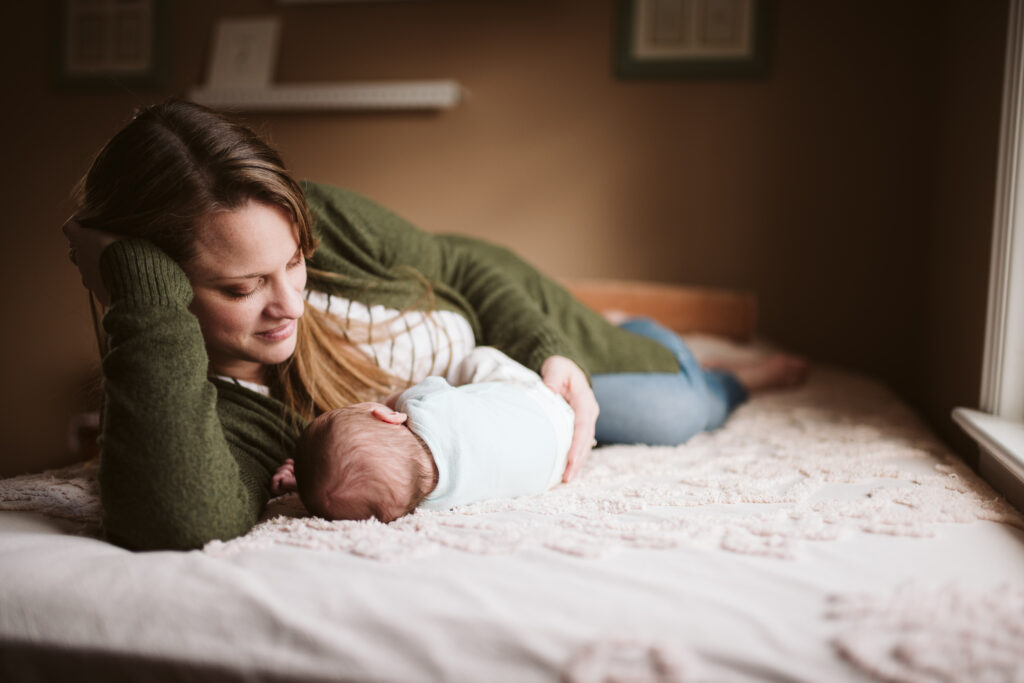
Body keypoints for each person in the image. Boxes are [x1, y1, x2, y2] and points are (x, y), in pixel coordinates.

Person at [63, 99, 807, 551]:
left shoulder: (305, 214)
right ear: (160, 285)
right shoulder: (235, 405)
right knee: (651, 414)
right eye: (241, 287)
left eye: (294, 263)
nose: (288, 301)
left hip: (505, 322)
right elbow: (175, 517)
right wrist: (130, 271)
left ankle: (703, 358)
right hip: (494, 400)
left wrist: (549, 350)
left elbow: (461, 263)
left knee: (671, 406)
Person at [272, 346, 575, 522]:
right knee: (476, 359)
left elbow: (349, 482)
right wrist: (397, 399)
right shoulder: (424, 407)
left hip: (552, 467)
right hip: (548, 409)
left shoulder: (428, 504)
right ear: (386, 415)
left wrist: (305, 482)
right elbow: (409, 395)